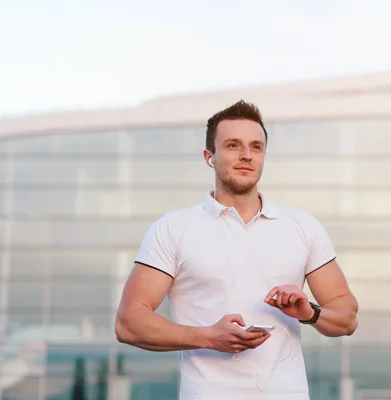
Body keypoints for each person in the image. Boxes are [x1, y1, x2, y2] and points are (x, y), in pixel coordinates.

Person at [115, 100, 359, 400]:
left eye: (256, 147)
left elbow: (347, 317)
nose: (246, 155)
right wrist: (208, 337)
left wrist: (309, 312)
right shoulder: (174, 228)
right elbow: (129, 323)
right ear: (209, 157)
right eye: (233, 145)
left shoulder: (302, 226)